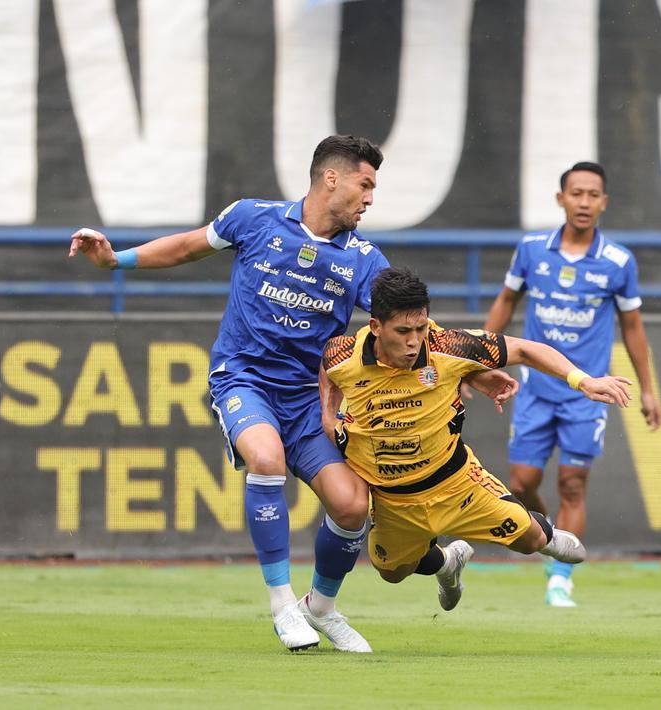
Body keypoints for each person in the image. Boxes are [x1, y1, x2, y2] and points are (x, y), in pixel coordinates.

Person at [69, 135, 484, 653]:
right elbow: (186, 247)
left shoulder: (362, 260)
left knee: (353, 506)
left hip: (309, 401)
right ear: (331, 178)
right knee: (265, 459)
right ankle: (282, 603)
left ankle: (323, 607)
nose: (371, 197)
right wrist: (115, 261)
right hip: (243, 378)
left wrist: (476, 365)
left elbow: (412, 324)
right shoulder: (253, 218)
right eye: (366, 183)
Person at [318, 267, 633, 610]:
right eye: (403, 331)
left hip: (456, 484)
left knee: (531, 540)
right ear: (376, 327)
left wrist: (582, 381)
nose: (413, 341)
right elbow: (329, 373)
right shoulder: (342, 355)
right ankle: (448, 564)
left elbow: (526, 350)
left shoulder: (447, 346)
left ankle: (547, 535)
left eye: (421, 328)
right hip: (393, 501)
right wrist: (327, 412)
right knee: (392, 572)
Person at [482, 161, 661, 607]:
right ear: (560, 198)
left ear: (604, 202)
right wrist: (479, 361)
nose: (584, 202)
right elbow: (506, 301)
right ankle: (552, 538)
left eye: (592, 195)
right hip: (536, 389)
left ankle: (560, 578)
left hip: (588, 393)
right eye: (576, 193)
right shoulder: (530, 250)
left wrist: (647, 388)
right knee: (521, 482)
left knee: (572, 485)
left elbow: (634, 327)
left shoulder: (619, 262)